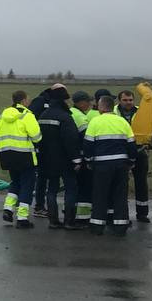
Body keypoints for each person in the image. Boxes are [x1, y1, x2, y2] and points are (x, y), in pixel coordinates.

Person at [82, 94, 137, 236]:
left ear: (101, 107)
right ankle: (120, 227)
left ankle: (97, 226)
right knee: (120, 195)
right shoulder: (123, 122)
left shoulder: (95, 122)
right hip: (121, 164)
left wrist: (88, 161)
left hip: (101, 164)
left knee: (100, 195)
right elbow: (131, 145)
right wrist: (131, 161)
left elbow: (88, 145)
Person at [0, 90, 43, 228]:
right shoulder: (27, 115)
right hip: (24, 156)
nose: (29, 102)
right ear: (23, 101)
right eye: (28, 100)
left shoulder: (1, 116)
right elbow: (37, 136)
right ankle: (22, 218)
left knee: (15, 182)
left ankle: (8, 209)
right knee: (27, 185)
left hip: (6, 155)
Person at [36, 87, 82, 229]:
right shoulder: (65, 117)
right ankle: (69, 221)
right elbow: (71, 140)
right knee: (70, 189)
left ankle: (53, 220)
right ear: (63, 100)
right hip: (64, 160)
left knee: (51, 189)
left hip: (46, 159)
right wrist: (76, 159)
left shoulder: (43, 115)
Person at [30, 83, 68, 216]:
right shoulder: (40, 101)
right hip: (41, 145)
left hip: (49, 146)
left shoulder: (50, 102)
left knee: (45, 178)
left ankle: (43, 206)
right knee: (43, 178)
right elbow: (31, 119)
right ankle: (39, 206)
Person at [115, 89, 151, 222]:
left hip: (140, 151)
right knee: (122, 184)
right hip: (121, 152)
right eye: (125, 100)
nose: (128, 102)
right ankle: (123, 214)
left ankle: (142, 214)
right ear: (119, 101)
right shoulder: (114, 112)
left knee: (141, 183)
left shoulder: (141, 112)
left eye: (130, 100)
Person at [70, 91, 98, 227]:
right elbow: (87, 138)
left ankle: (73, 213)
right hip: (80, 157)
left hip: (72, 157)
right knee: (85, 187)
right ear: (80, 102)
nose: (90, 104)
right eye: (88, 101)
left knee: (75, 186)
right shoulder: (80, 116)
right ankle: (83, 217)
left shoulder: (72, 112)